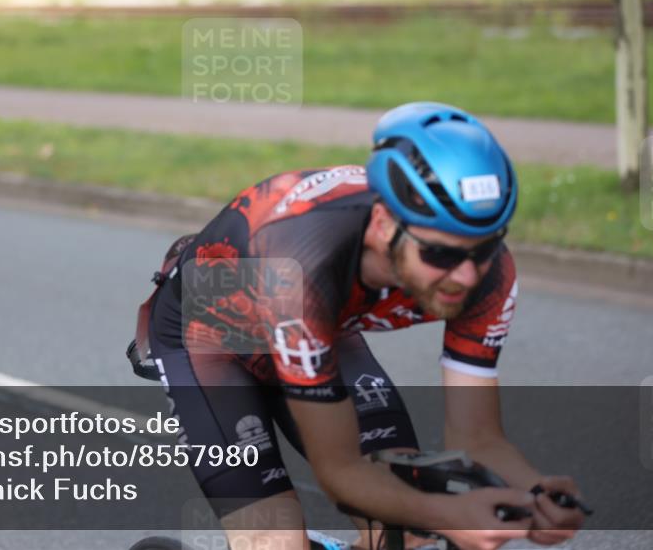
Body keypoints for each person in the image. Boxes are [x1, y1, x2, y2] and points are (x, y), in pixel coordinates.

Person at [135, 102, 586, 550]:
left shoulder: (488, 275)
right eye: (440, 255)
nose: (466, 277)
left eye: (484, 250)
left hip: (322, 329)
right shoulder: (302, 265)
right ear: (383, 225)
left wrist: (535, 494)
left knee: (407, 534)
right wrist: (450, 516)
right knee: (276, 542)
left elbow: (477, 436)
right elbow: (341, 474)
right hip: (210, 341)